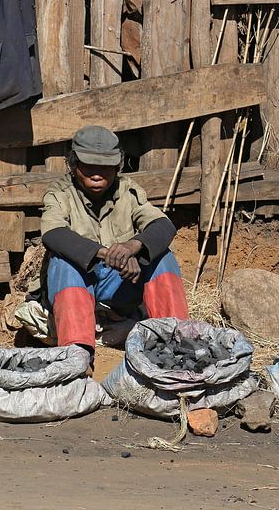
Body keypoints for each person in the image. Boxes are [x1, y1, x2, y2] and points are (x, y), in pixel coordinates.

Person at [40, 125, 189, 370]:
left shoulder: (127, 190)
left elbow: (163, 225)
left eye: (105, 168)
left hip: (118, 287)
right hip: (77, 284)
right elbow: (53, 234)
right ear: (73, 165)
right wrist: (111, 254)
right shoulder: (60, 193)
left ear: (117, 167)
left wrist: (133, 246)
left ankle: (176, 344)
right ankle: (77, 356)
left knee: (163, 258)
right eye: (89, 167)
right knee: (62, 260)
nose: (97, 175)